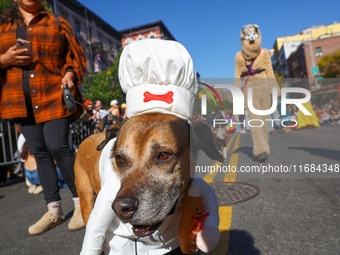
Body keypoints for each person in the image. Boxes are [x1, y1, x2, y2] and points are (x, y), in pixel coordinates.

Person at [0, 1, 86, 235]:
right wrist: (4, 60)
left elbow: (75, 57)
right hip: (17, 99)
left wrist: (69, 74)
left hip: (53, 94)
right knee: (39, 152)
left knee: (59, 147)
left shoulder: (57, 22)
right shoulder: (3, 26)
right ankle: (54, 211)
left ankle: (82, 205)